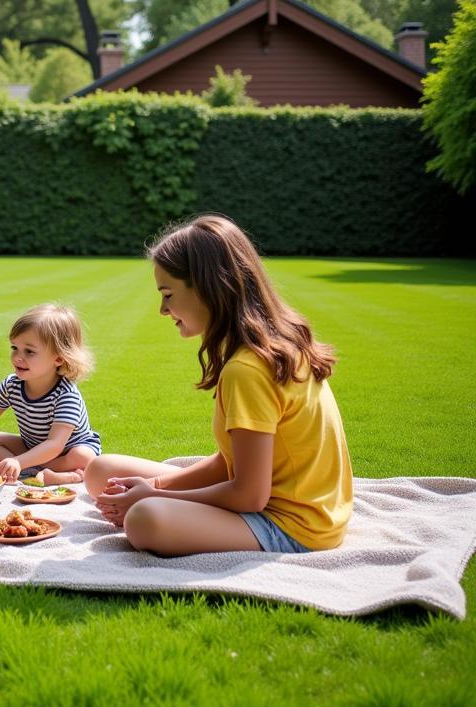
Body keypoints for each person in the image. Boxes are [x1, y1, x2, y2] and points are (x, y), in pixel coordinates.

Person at [86, 214, 353, 556]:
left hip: (292, 524)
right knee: (101, 471)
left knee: (143, 519)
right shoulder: (271, 344)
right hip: (280, 502)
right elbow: (227, 462)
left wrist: (154, 496)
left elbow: (249, 495)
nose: (162, 309)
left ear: (208, 287)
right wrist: (153, 484)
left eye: (168, 294)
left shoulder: (247, 369)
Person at [0, 304, 101, 484]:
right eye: (14, 348)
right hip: (32, 447)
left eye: (29, 351)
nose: (18, 357)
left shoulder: (66, 396)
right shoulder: (12, 385)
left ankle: (64, 474)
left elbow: (54, 444)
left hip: (66, 451)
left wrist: (18, 460)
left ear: (58, 358)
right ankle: (33, 470)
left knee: (83, 456)